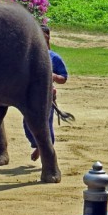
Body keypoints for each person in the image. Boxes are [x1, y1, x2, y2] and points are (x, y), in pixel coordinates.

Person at [24, 25, 68, 162]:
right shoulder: (28, 56)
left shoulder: (54, 57)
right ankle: (38, 145)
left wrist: (53, 76)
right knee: (27, 123)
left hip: (46, 96)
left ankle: (46, 149)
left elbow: (63, 78)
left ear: (47, 38)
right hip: (29, 95)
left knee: (45, 123)